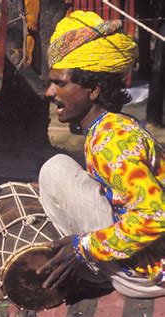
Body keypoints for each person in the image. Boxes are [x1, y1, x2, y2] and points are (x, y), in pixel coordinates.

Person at [37, 10, 164, 298]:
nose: (49, 92)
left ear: (93, 89)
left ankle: (92, 273)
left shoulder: (111, 139)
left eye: (60, 83)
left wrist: (83, 249)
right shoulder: (109, 127)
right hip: (149, 260)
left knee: (55, 169)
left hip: (147, 274)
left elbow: (155, 215)